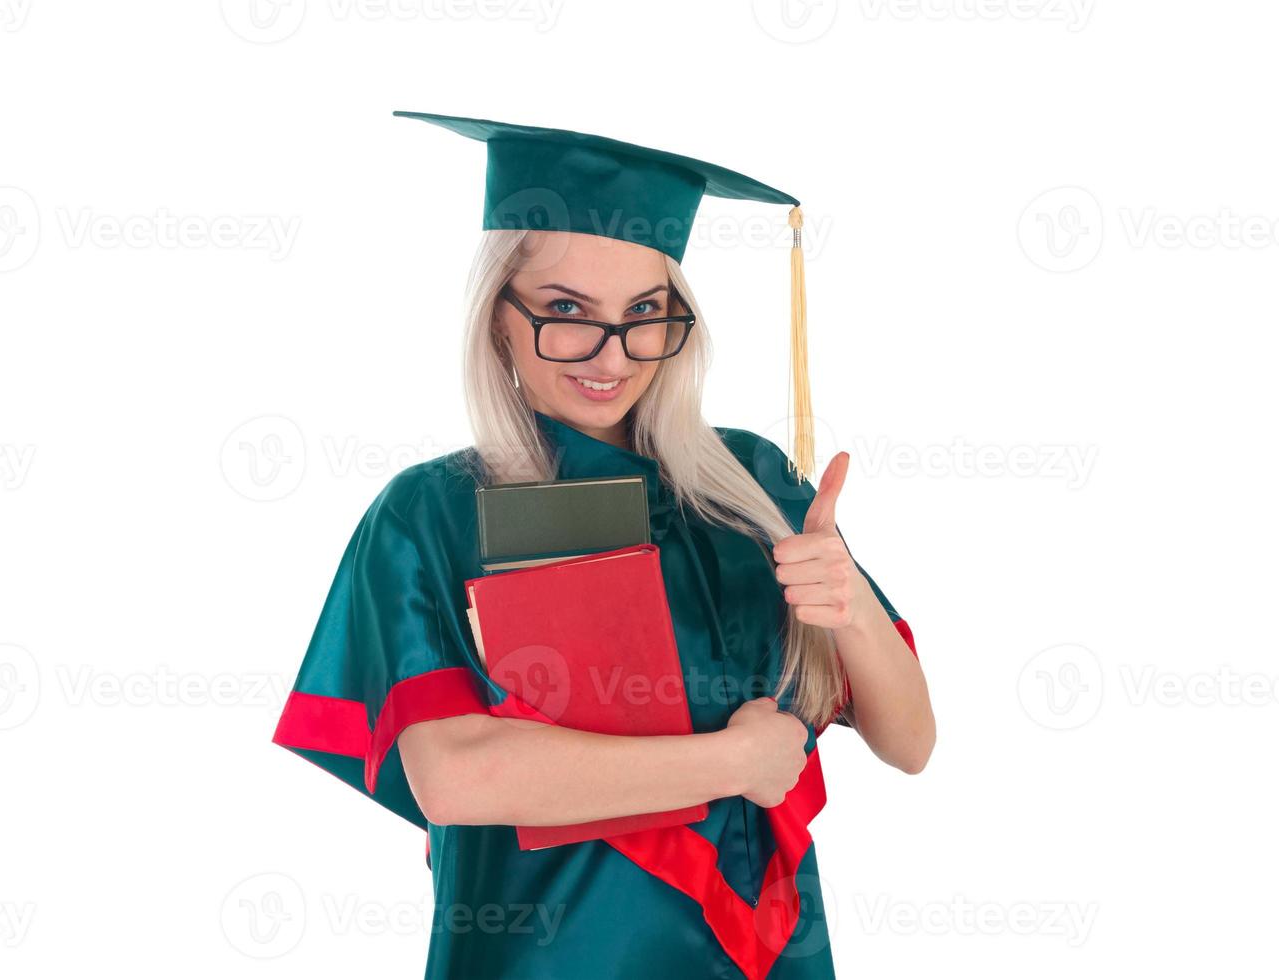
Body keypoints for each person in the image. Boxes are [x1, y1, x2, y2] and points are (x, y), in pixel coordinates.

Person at [271, 110, 935, 979]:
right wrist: (732, 763)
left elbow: (911, 741)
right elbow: (458, 778)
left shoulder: (753, 485)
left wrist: (845, 608)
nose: (611, 356)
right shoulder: (432, 514)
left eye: (646, 313)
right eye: (565, 311)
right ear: (499, 316)